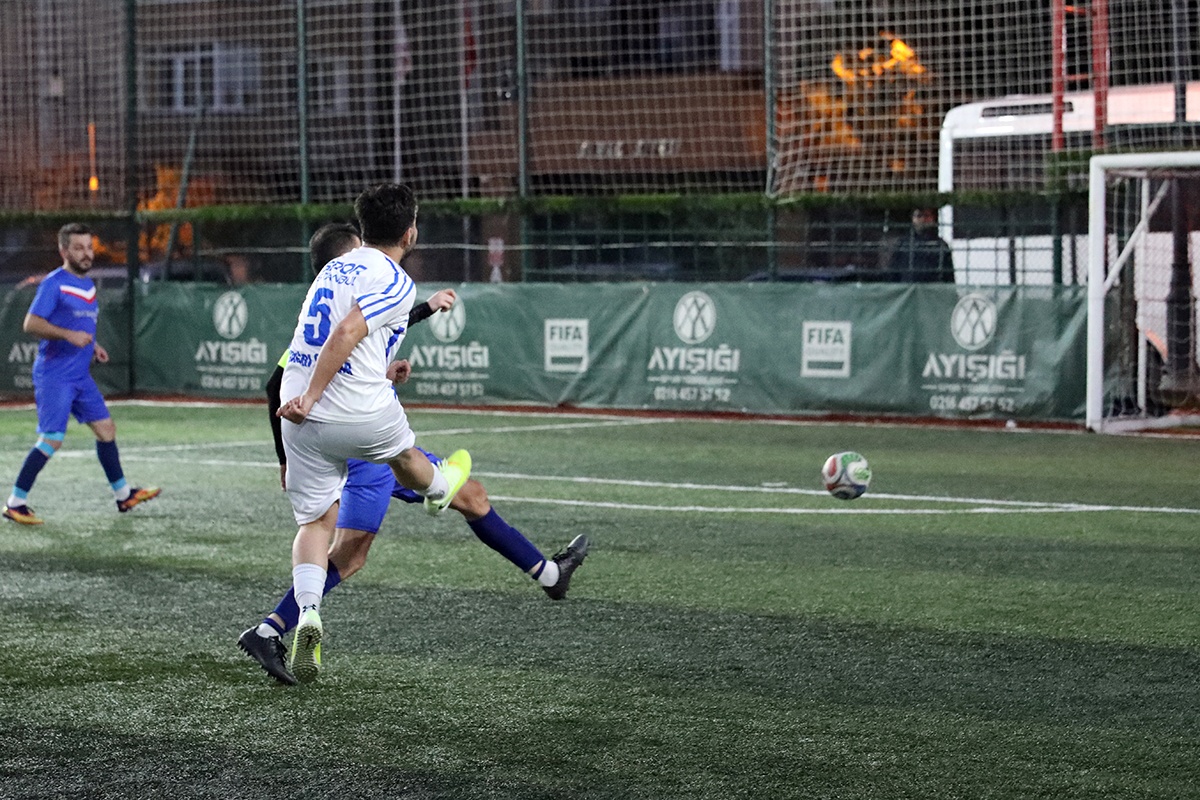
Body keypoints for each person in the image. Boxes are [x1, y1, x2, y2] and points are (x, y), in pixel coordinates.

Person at [238, 222, 589, 686]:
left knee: (472, 497)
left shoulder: (338, 300)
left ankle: (548, 575)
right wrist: (285, 456)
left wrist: (395, 359)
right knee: (351, 553)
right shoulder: (349, 302)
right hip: (366, 451)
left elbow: (357, 348)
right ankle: (271, 628)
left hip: (347, 438)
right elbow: (281, 381)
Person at [273, 184, 474, 685]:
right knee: (405, 457)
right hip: (347, 406)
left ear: (362, 229)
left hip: (294, 410)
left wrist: (307, 399)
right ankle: (439, 489)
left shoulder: (332, 267)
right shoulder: (396, 278)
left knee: (316, 523)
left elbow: (336, 334)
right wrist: (317, 395)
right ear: (410, 233)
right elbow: (346, 333)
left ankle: (309, 611)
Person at [3, 223, 160, 525]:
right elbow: (31, 323)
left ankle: (124, 495)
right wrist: (68, 335)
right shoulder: (54, 284)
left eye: (89, 247)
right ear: (64, 251)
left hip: (80, 376)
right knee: (52, 439)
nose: (87, 254)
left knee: (106, 430)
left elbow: (80, 325)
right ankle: (15, 503)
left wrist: (94, 345)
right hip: (55, 375)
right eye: (79, 248)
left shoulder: (88, 285)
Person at [879, 207, 956, 283]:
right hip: (908, 288)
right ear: (912, 218)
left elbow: (949, 277)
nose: (923, 220)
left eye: (926, 216)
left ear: (933, 218)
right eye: (919, 216)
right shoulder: (904, 243)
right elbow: (893, 273)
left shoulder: (940, 245)